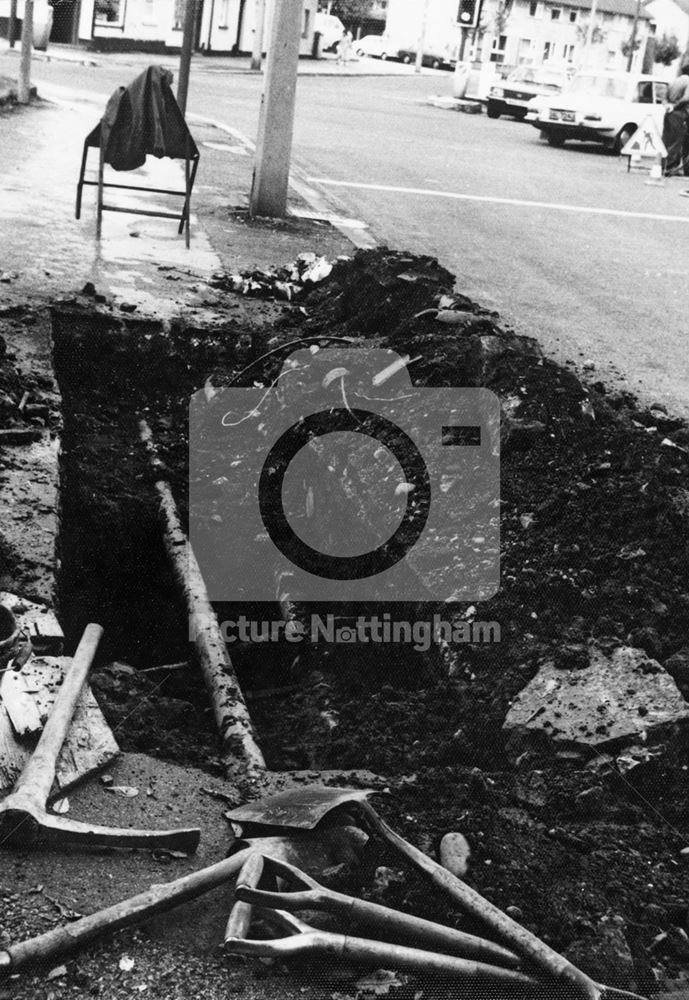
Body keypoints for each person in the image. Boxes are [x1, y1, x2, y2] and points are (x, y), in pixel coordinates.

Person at [663, 63, 689, 176]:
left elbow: (664, 97)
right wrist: (675, 106)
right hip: (679, 113)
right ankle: (670, 167)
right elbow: (687, 98)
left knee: (666, 140)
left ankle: (663, 164)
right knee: (677, 140)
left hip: (668, 113)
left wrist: (668, 106)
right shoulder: (688, 82)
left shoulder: (674, 81)